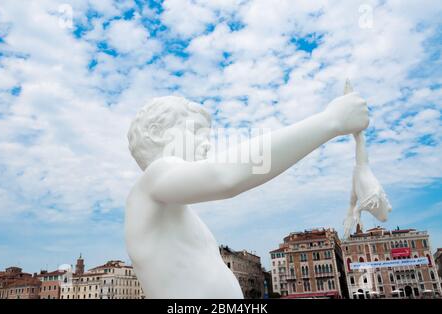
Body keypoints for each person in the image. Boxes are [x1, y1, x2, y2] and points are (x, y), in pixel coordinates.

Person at [125, 94, 369, 298]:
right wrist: (331, 121)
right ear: (157, 133)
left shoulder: (173, 211)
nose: (207, 144)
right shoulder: (153, 180)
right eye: (197, 132)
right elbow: (226, 176)